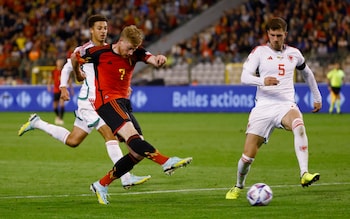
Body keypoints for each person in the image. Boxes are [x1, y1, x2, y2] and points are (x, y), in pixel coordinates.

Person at [18, 15, 151, 190]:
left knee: (73, 140)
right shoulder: (85, 49)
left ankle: (37, 122)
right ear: (91, 30)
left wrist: (125, 89)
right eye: (99, 28)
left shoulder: (113, 50)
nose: (103, 31)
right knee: (110, 135)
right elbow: (68, 66)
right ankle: (126, 178)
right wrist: (63, 86)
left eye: (105, 28)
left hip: (102, 100)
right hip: (91, 102)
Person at [71, 25, 193, 205]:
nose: (131, 53)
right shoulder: (99, 53)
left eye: (134, 49)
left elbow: (150, 58)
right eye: (129, 48)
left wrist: (159, 59)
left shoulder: (136, 52)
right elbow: (75, 58)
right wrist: (77, 74)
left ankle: (101, 184)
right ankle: (165, 162)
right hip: (106, 102)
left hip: (124, 103)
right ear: (121, 41)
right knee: (134, 138)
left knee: (137, 152)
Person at [225, 17, 322, 200]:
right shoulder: (259, 52)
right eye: (272, 35)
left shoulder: (294, 53)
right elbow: (244, 77)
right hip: (263, 107)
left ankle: (304, 174)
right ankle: (238, 186)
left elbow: (307, 73)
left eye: (279, 35)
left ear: (285, 34)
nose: (276, 39)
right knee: (247, 157)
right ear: (267, 34)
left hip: (285, 105)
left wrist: (317, 97)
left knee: (299, 125)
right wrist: (263, 80)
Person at [47, 58, 69, 125]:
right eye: (58, 62)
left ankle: (61, 118)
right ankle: (58, 116)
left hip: (62, 89)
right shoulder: (54, 71)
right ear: (56, 63)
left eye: (60, 62)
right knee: (55, 106)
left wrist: (70, 88)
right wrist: (49, 85)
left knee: (62, 104)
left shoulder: (64, 71)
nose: (59, 63)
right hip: (56, 90)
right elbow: (50, 79)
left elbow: (69, 79)